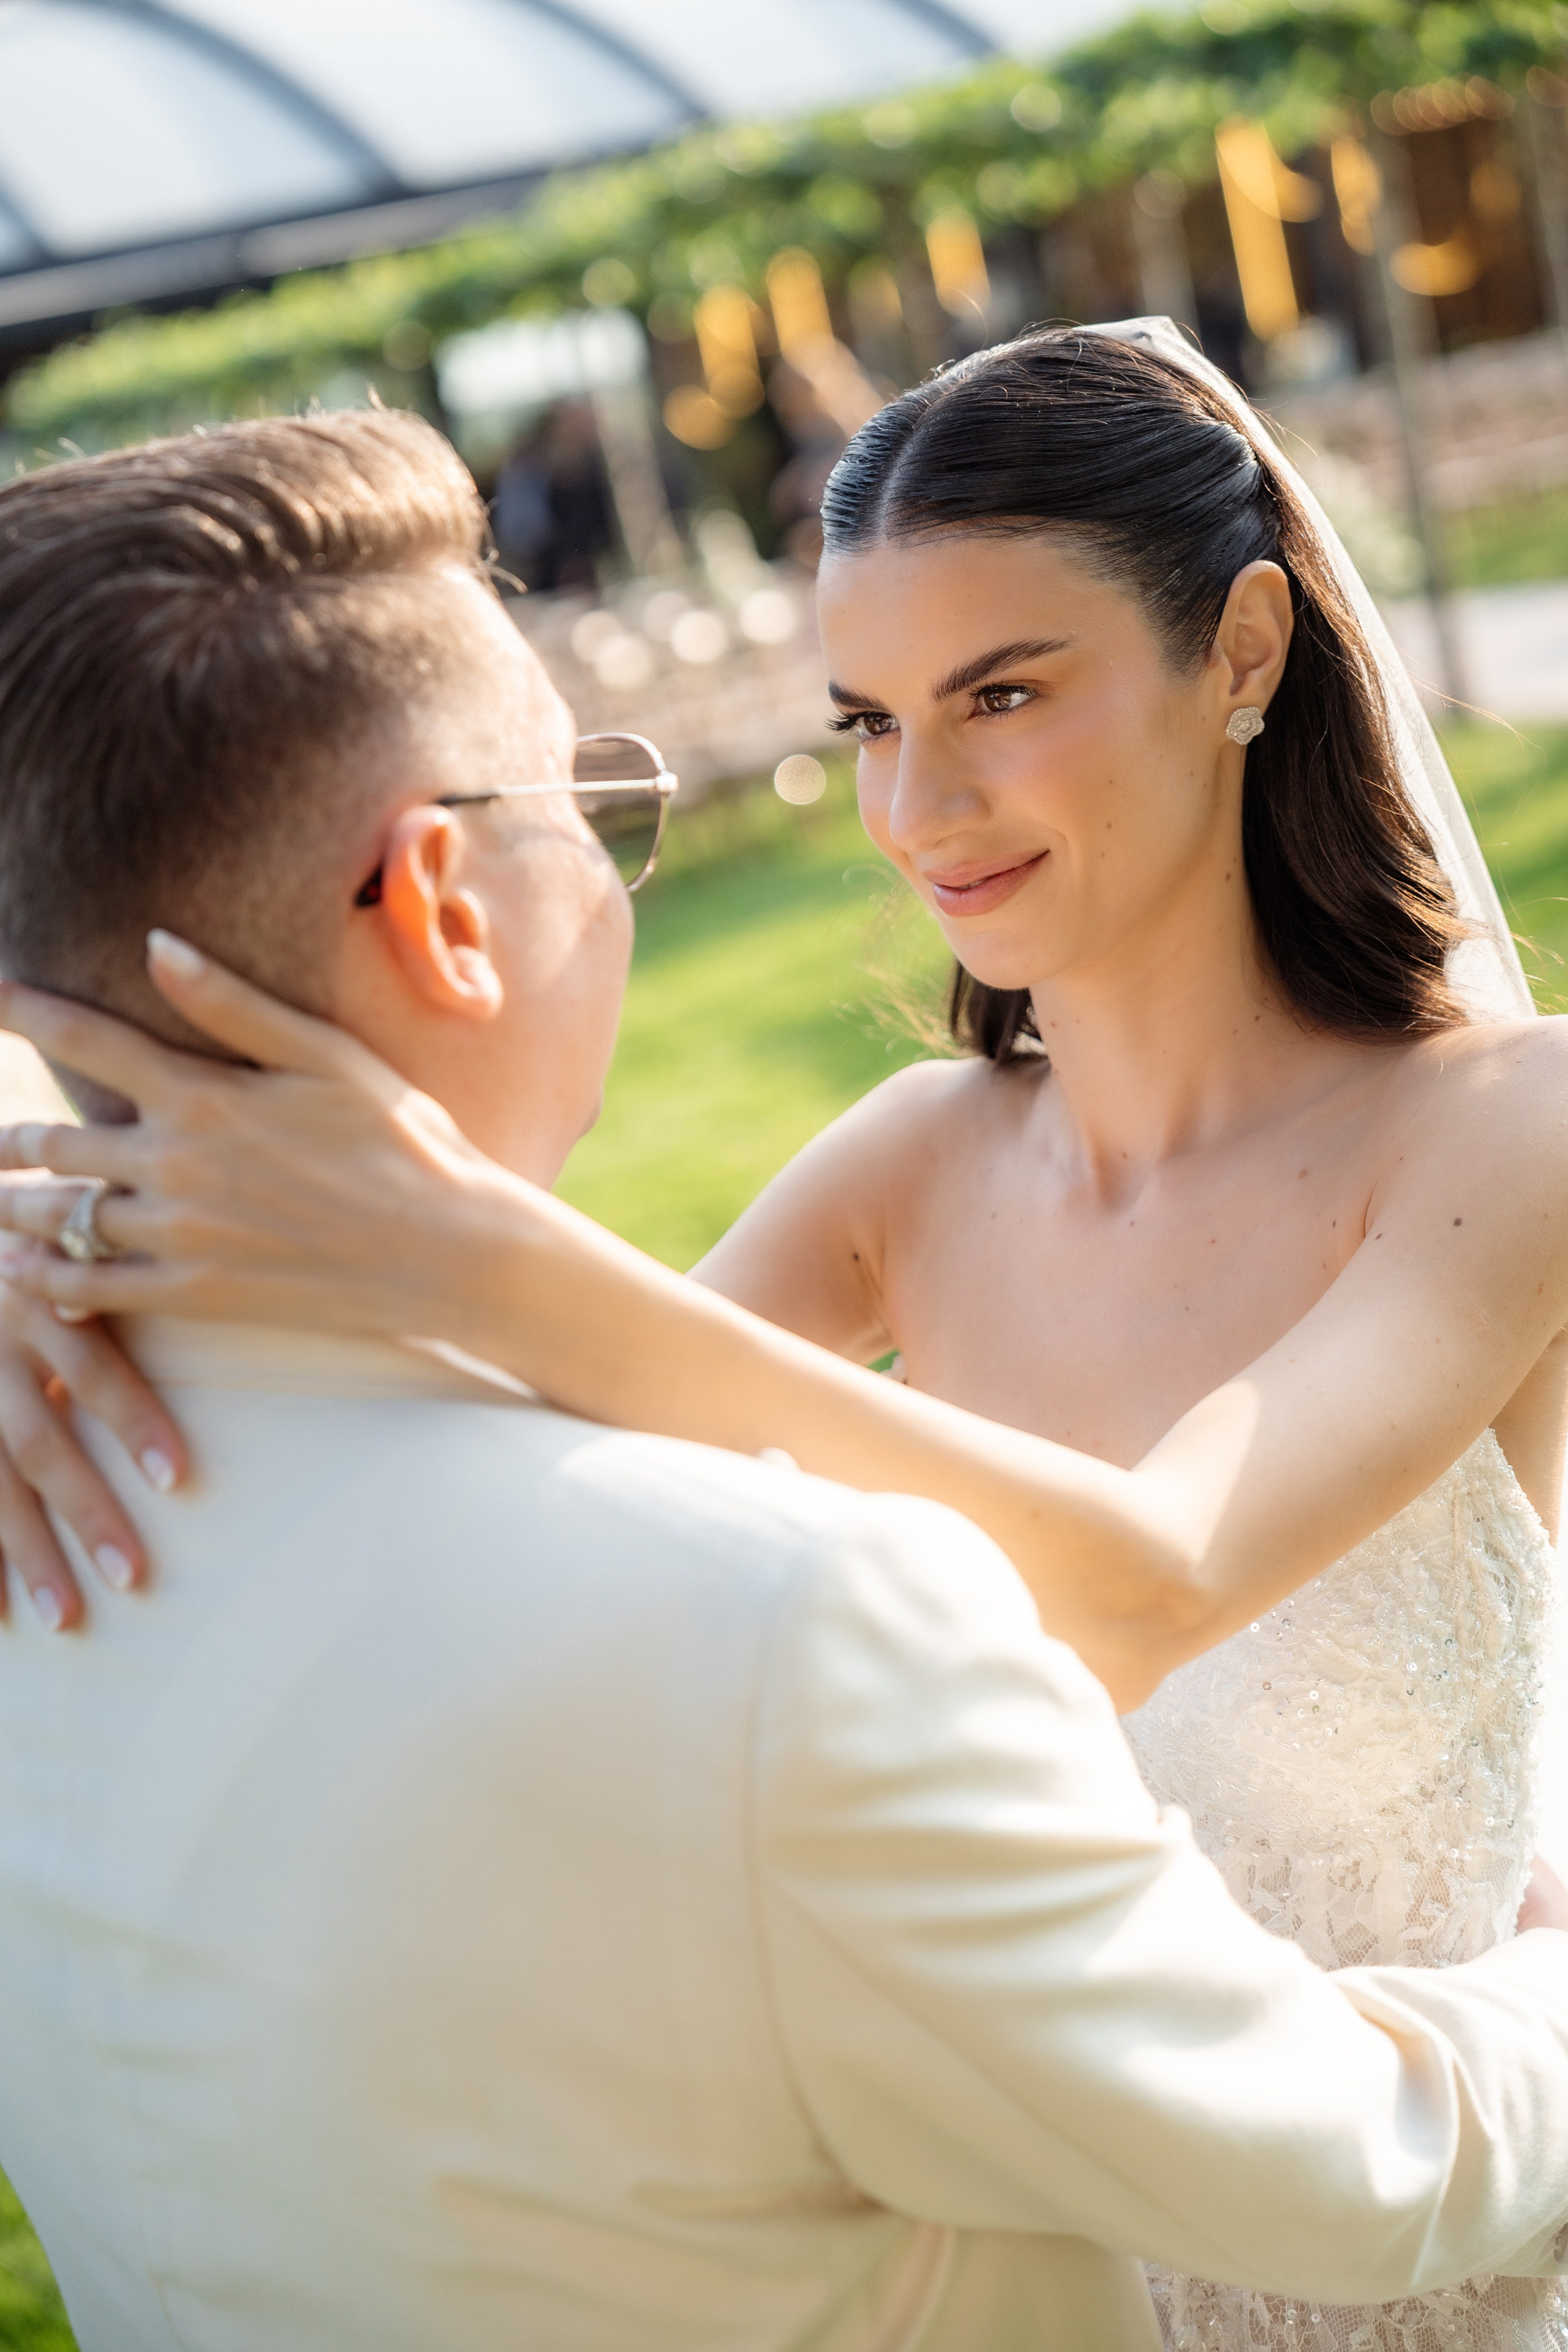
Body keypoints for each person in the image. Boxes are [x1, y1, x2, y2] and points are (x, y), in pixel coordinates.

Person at [3, 352, 1568, 2346]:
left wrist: (482, 1251)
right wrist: (60, 1276)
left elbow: (1158, 1579)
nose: (915, 808)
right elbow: (519, 1488)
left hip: (1417, 2230)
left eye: (1003, 695)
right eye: (873, 722)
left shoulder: (1509, 1129)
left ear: (1243, 644)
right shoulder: (912, 1162)